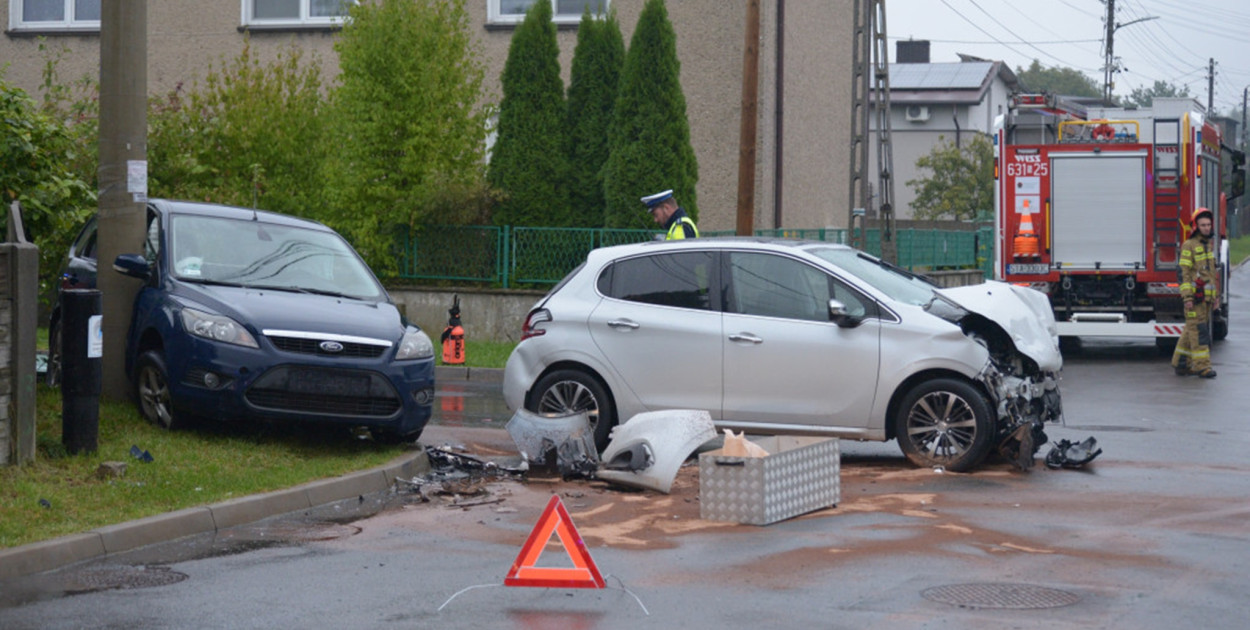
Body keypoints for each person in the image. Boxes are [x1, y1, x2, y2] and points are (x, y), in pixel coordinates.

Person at [1171, 206, 1218, 378]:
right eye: (1203, 225)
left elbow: (1211, 275)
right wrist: (1187, 298)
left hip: (1206, 299)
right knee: (1199, 332)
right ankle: (1202, 367)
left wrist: (1215, 297)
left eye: (1208, 225)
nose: (1207, 228)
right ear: (1195, 227)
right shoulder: (1189, 246)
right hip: (1194, 299)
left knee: (1191, 330)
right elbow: (1184, 273)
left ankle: (1181, 363)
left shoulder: (1207, 246)